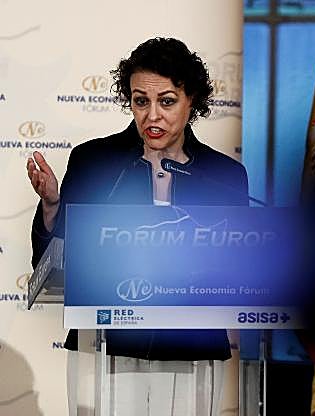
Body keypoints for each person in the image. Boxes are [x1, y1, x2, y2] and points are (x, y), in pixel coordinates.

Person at [27, 37, 248, 416]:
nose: (152, 116)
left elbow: (239, 268)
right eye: (141, 101)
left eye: (167, 101)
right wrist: (52, 206)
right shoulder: (94, 161)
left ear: (192, 100)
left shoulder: (224, 175)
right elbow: (53, 261)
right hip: (104, 345)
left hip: (191, 349)